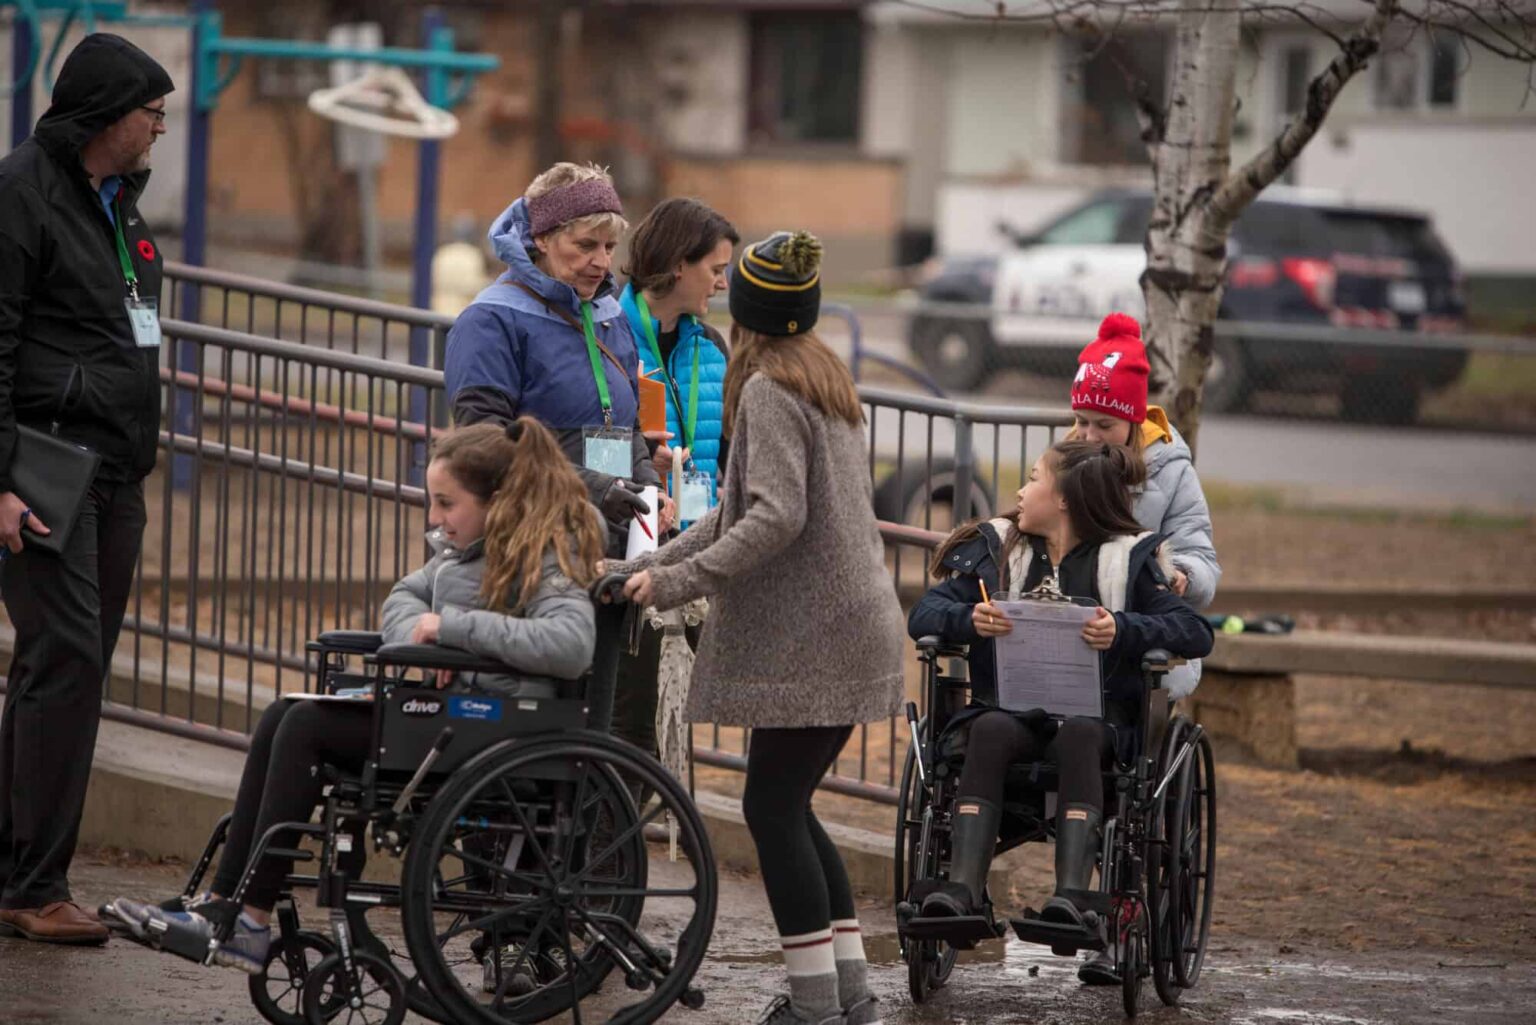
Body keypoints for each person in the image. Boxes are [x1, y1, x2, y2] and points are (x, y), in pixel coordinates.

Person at [104, 419, 603, 972]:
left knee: (305, 727)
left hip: (497, 726)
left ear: (498, 501)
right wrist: (425, 635)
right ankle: (226, 904)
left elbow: (571, 644)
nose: (434, 520)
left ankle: (249, 921)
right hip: (455, 716)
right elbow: (401, 601)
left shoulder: (547, 551)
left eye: (446, 504)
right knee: (284, 713)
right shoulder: (464, 550)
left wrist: (449, 630)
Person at [614, 231, 904, 1025]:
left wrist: (671, 579)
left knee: (772, 808)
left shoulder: (771, 390)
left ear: (745, 312)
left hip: (819, 639)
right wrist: (658, 561)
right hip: (853, 628)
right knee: (792, 803)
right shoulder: (822, 377)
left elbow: (774, 517)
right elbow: (741, 514)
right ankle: (850, 996)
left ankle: (813, 1004)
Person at [906, 441, 1213, 957]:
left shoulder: (1126, 559)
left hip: (1097, 720)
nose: (1021, 492)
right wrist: (968, 619)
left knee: (1081, 733)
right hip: (1011, 711)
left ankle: (1074, 896)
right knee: (988, 728)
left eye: (1032, 479)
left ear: (1065, 499)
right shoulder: (1000, 550)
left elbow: (1194, 631)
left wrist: (1123, 627)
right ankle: (960, 891)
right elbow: (924, 616)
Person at [0, 33, 173, 946]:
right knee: (61, 659)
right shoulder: (22, 190)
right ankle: (36, 885)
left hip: (116, 472)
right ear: (108, 111)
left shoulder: (121, 208)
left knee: (67, 669)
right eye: (150, 110)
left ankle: (15, 872)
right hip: (42, 466)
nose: (158, 126)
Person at [443, 161, 672, 551]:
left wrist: (648, 485)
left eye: (609, 247)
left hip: (611, 540)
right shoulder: (490, 321)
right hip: (530, 546)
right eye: (586, 245)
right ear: (543, 239)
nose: (602, 262)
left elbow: (626, 426)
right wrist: (595, 488)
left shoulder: (609, 315)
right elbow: (484, 443)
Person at [611, 198, 738, 756]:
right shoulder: (608, 335)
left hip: (688, 554)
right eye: (716, 269)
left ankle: (646, 830)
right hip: (625, 545)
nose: (722, 284)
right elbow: (581, 447)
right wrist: (641, 463)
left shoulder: (710, 346)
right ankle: (611, 839)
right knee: (627, 716)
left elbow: (730, 455)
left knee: (672, 712)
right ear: (679, 266)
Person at [1065, 313, 1220, 608]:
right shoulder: (1063, 460)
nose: (1090, 436)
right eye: (1082, 421)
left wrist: (1183, 575)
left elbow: (1202, 559)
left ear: (1133, 420)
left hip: (1142, 627)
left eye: (1105, 425)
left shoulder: (1171, 471)